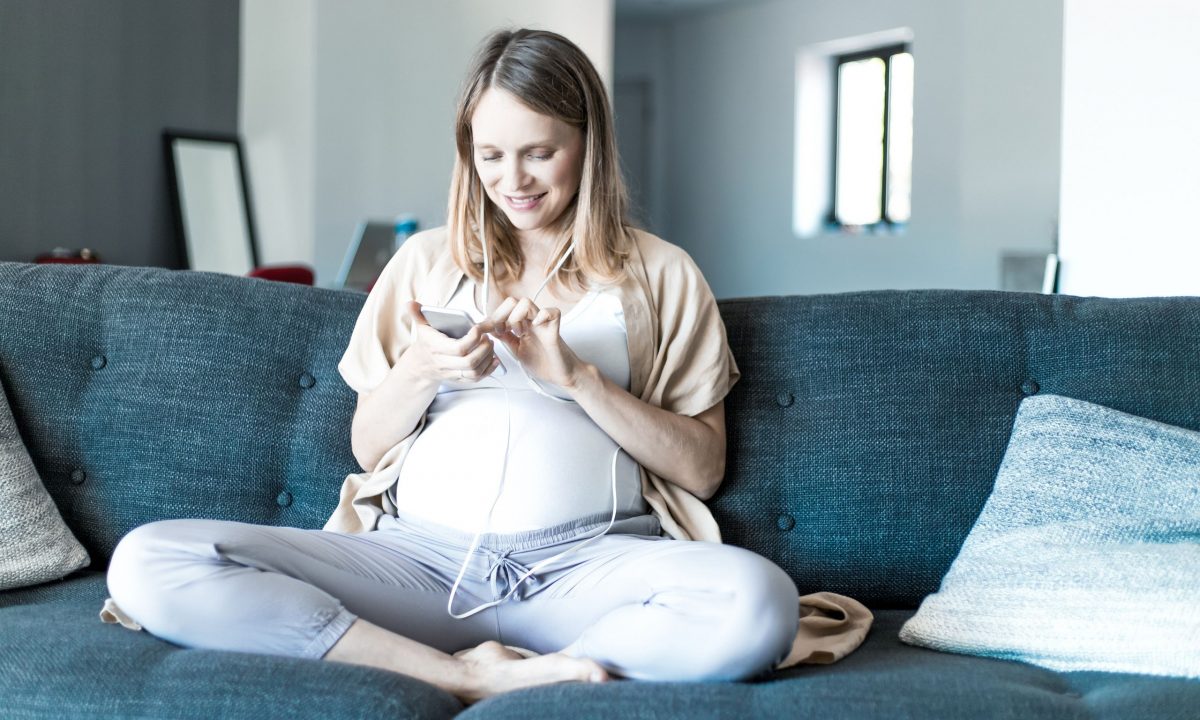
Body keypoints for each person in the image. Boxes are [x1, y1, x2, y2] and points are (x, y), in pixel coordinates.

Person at [105, 28, 801, 704]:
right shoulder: (424, 263)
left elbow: (703, 469)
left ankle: (555, 661)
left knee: (760, 603)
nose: (512, 180)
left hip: (586, 569)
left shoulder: (662, 274)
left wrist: (579, 381)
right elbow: (366, 444)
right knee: (149, 560)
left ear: (587, 147)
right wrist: (420, 371)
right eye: (490, 154)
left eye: (539, 153)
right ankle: (462, 675)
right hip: (418, 564)